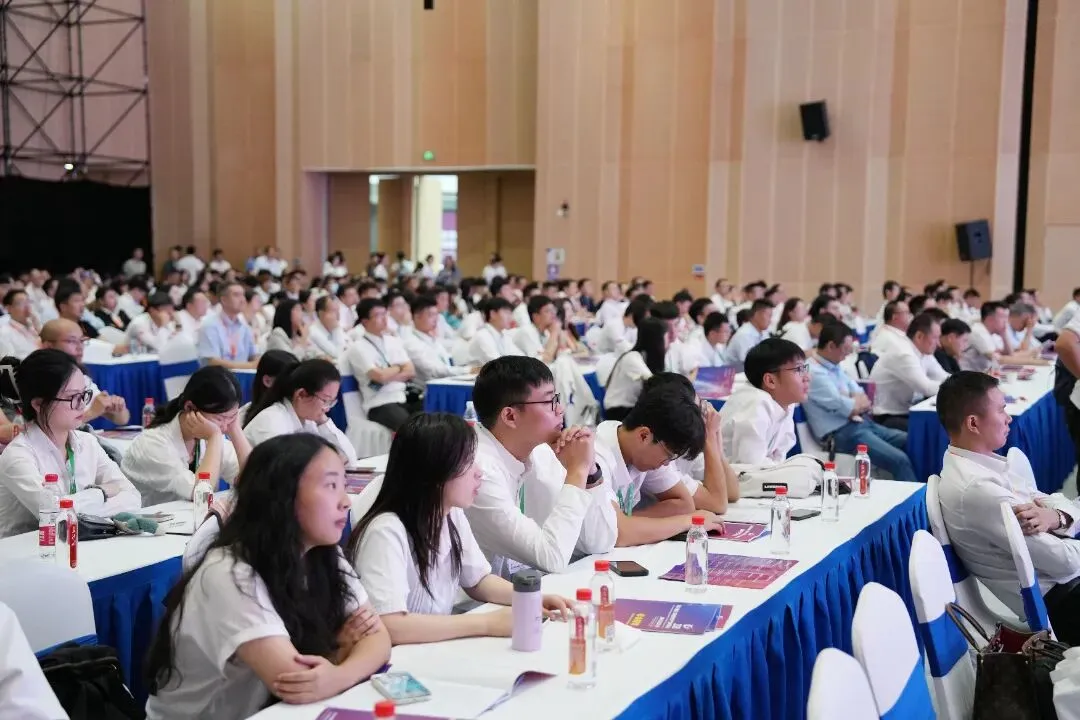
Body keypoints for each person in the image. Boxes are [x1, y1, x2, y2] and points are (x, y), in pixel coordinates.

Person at [144, 434, 391, 718]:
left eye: (344, 486)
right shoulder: (228, 573)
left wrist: (338, 673)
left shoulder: (323, 552)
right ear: (283, 496)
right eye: (331, 486)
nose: (346, 502)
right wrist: (340, 649)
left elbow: (378, 637)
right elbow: (293, 682)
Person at [349, 414, 571, 644]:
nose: (478, 472)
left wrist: (530, 599)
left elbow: (478, 580)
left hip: (431, 648)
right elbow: (391, 625)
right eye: (467, 463)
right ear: (434, 471)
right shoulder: (386, 531)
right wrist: (486, 624)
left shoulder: (451, 514)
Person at [936, 371, 1080, 644]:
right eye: (1001, 409)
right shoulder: (977, 488)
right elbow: (1066, 562)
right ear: (973, 423)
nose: (1009, 418)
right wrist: (1064, 518)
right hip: (1065, 601)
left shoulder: (980, 463)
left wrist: (1056, 517)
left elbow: (1046, 498)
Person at [464, 357, 612, 578]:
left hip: (520, 587)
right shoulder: (479, 471)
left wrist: (590, 472)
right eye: (549, 401)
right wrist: (577, 472)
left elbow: (601, 542)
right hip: (475, 598)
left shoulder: (541, 451)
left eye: (556, 398)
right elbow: (551, 558)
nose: (560, 409)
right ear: (510, 416)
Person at [0, 349, 140, 538]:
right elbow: (55, 516)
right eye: (72, 397)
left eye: (84, 395)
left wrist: (79, 513)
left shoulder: (87, 442)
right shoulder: (18, 455)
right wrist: (101, 493)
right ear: (39, 404)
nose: (82, 404)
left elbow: (132, 497)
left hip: (81, 543)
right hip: (29, 550)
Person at [592, 383, 725, 546]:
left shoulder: (641, 450)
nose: (666, 464)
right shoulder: (596, 456)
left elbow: (683, 505)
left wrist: (628, 523)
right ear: (644, 436)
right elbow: (618, 534)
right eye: (668, 456)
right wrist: (689, 521)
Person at [122, 366, 251, 505]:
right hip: (144, 518)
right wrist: (214, 437)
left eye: (232, 417)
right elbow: (201, 495)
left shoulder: (209, 436)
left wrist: (235, 430)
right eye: (220, 419)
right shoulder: (153, 443)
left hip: (191, 518)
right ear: (190, 408)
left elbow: (254, 480)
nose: (225, 427)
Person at [803, 322, 916, 481]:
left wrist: (852, 401)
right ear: (831, 346)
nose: (848, 354)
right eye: (846, 349)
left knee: (911, 441)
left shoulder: (834, 366)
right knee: (900, 460)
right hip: (842, 434)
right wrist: (853, 402)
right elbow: (849, 408)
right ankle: (917, 497)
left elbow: (862, 397)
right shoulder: (814, 373)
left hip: (862, 424)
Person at [244, 359, 358, 465]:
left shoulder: (308, 419)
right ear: (301, 394)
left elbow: (350, 461)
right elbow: (285, 470)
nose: (327, 408)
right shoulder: (271, 421)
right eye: (325, 400)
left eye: (331, 402)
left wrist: (323, 421)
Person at [718, 338, 808, 469]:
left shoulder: (786, 403)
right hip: (715, 477)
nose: (807, 377)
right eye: (798, 369)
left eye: (805, 368)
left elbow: (780, 455)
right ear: (770, 381)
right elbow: (751, 467)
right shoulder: (756, 403)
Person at [342, 298, 416, 432]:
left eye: (384, 314)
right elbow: (379, 376)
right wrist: (399, 367)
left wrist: (389, 373)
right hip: (380, 403)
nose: (384, 318)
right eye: (378, 315)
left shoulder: (393, 341)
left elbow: (411, 371)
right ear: (365, 321)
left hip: (403, 396)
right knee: (410, 430)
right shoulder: (358, 348)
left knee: (432, 420)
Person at [39, 319, 130, 426]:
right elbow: (49, 427)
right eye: (71, 341)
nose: (80, 347)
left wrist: (118, 407)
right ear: (48, 346)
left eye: (82, 341)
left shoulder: (79, 375)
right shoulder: (38, 377)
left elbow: (122, 420)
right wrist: (91, 413)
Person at [869, 312, 947, 431]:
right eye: (935, 338)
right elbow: (926, 388)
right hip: (887, 416)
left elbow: (943, 376)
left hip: (907, 410)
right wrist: (955, 388)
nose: (939, 344)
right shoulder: (903, 353)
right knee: (933, 430)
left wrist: (964, 384)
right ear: (919, 336)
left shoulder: (923, 351)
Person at [401, 295, 474, 389]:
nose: (436, 319)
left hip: (447, 383)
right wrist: (468, 370)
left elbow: (447, 362)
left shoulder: (432, 338)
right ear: (417, 316)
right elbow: (434, 371)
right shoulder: (411, 343)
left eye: (436, 314)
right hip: (428, 391)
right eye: (431, 315)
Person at [602, 317, 668, 421]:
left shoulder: (648, 357)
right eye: (666, 336)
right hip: (619, 411)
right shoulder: (632, 358)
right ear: (657, 339)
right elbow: (655, 383)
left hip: (634, 407)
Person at [197, 280, 259, 369]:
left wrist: (258, 363)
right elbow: (212, 362)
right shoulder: (209, 325)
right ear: (224, 300)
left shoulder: (244, 326)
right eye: (236, 295)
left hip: (243, 375)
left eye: (243, 295)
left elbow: (254, 355)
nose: (242, 300)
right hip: (217, 376)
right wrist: (250, 366)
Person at [467, 297, 523, 364]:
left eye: (510, 313)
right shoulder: (483, 335)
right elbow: (497, 363)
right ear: (493, 314)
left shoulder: (504, 335)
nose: (510, 317)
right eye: (506, 312)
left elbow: (520, 356)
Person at [723, 299, 774, 371]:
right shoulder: (744, 334)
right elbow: (751, 362)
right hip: (735, 375)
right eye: (769, 316)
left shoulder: (764, 332)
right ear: (757, 314)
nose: (770, 321)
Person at [678, 311, 730, 376]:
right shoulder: (694, 348)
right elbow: (694, 375)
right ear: (712, 333)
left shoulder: (719, 345)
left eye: (729, 330)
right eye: (725, 332)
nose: (729, 334)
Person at [0, 289, 40, 360]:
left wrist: (38, 328)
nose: (27, 307)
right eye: (21, 303)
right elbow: (9, 363)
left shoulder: (34, 326)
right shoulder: (4, 333)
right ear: (9, 308)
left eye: (28, 302)